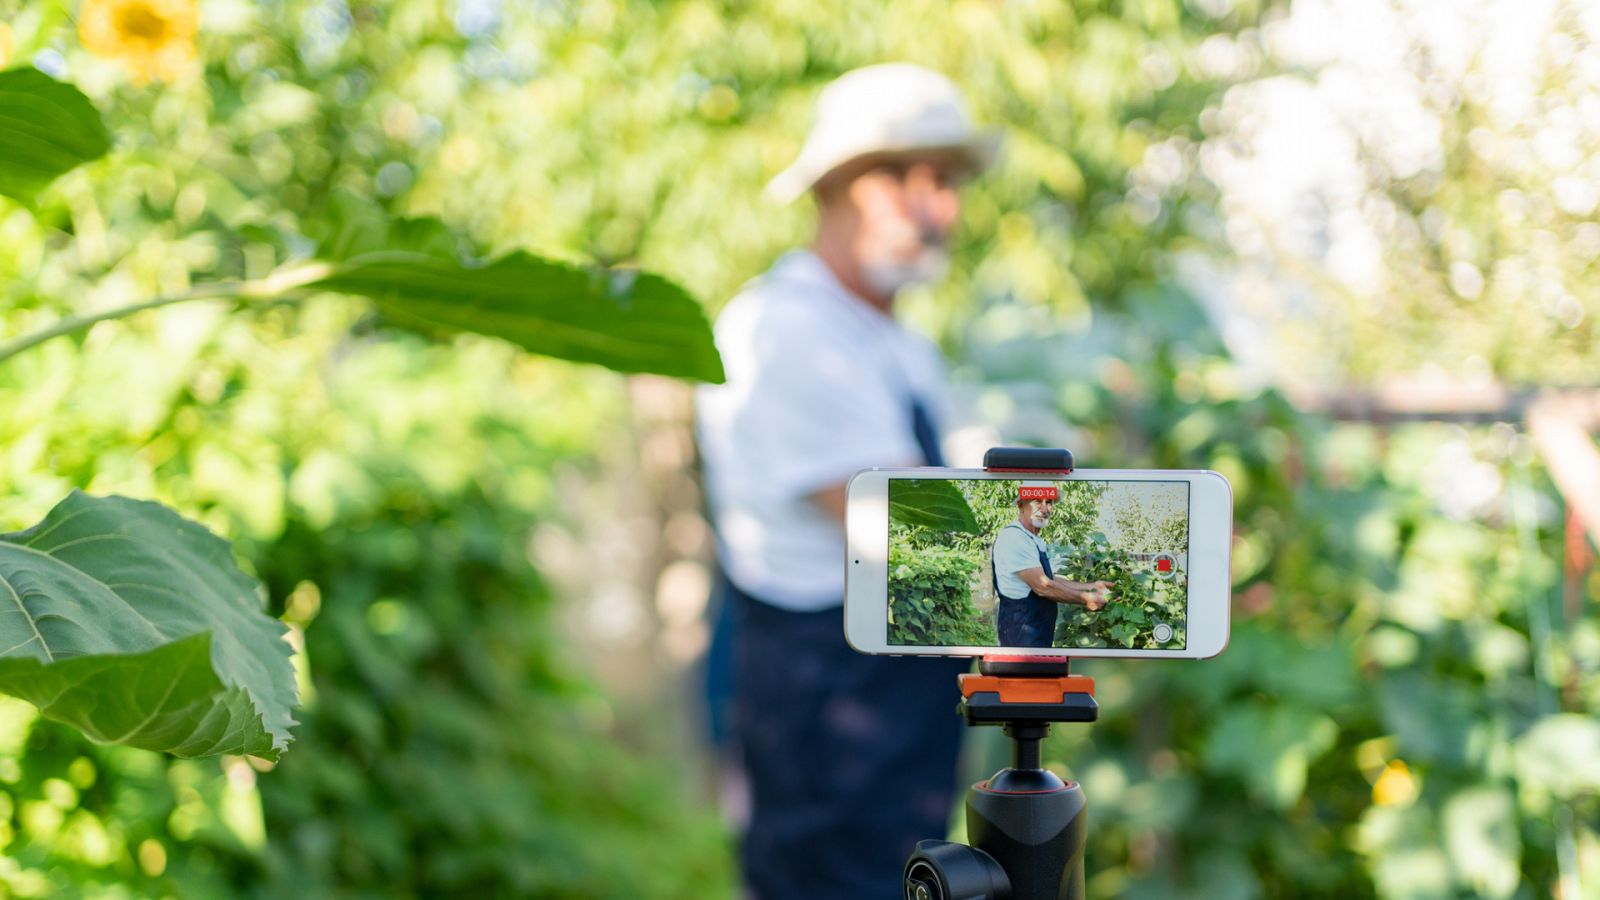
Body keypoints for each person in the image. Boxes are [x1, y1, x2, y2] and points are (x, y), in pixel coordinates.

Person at [695, 63, 999, 899]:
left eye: (948, 182)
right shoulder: (788, 330)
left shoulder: (893, 339)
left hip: (896, 694)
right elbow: (919, 535)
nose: (942, 208)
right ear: (847, 187)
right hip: (828, 703)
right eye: (915, 179)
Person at [991, 481, 1114, 647]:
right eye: (1037, 501)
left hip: (1036, 635)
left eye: (1048, 502)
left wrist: (1092, 586)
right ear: (1021, 506)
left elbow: (1048, 579)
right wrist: (1086, 599)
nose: (1044, 508)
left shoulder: (1033, 539)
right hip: (1019, 640)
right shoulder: (1015, 537)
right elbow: (1043, 586)